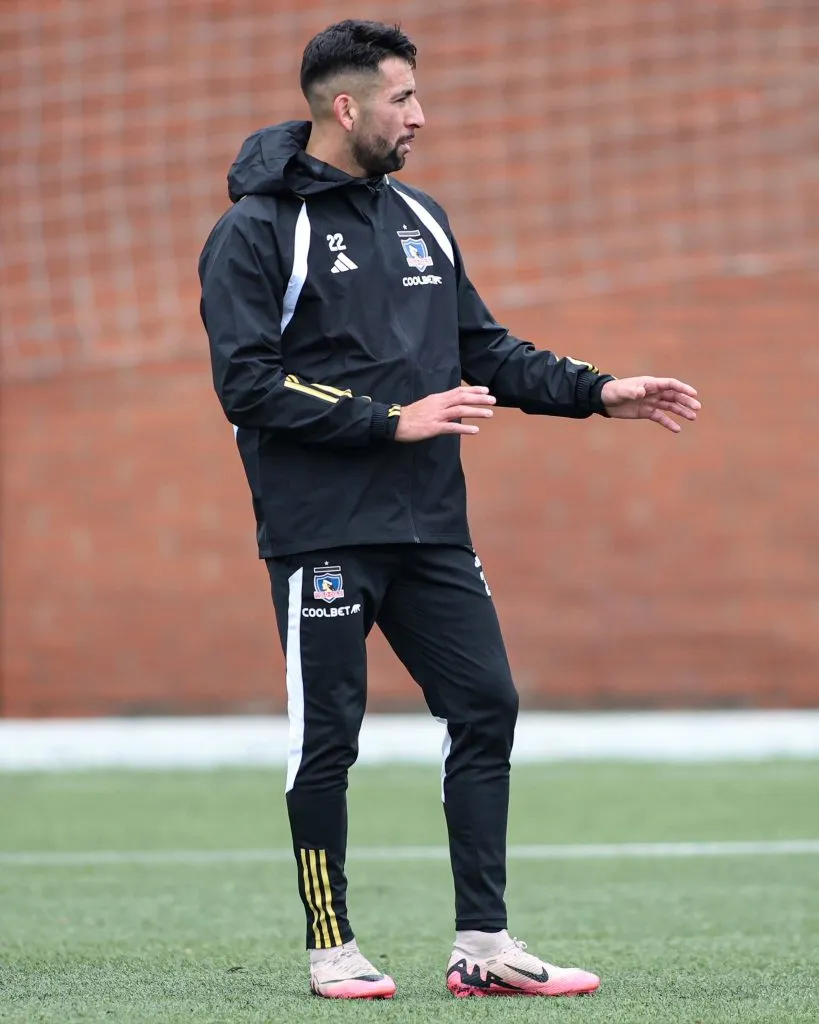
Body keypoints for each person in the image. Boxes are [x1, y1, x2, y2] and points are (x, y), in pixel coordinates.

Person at [198, 18, 700, 1002]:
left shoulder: (420, 218)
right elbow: (248, 385)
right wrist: (392, 419)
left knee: (488, 704)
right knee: (327, 737)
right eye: (403, 99)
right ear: (347, 107)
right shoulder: (257, 231)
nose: (420, 116)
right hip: (322, 534)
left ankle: (484, 942)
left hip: (429, 527)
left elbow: (487, 349)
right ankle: (331, 943)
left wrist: (599, 392)